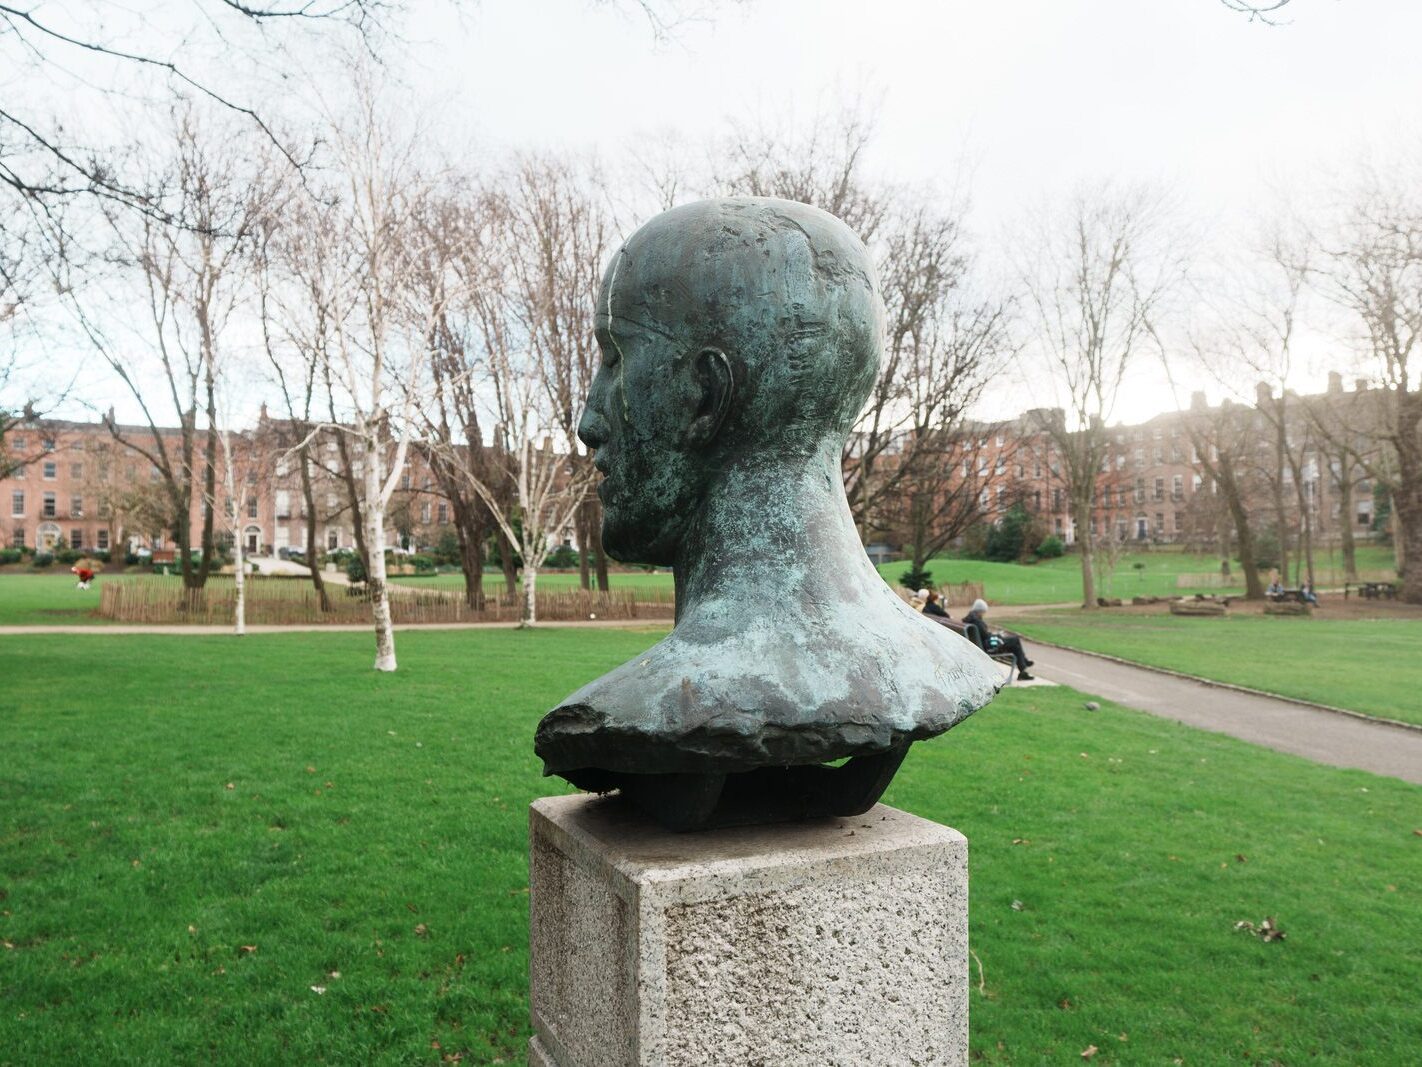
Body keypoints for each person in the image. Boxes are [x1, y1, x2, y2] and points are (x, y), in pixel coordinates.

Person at [962, 598, 1035, 680]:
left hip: (980, 646)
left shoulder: (969, 619)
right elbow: (986, 636)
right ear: (980, 611)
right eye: (983, 612)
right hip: (988, 647)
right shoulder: (977, 622)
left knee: (1015, 645)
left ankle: (1024, 665)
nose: (984, 614)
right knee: (1015, 640)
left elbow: (983, 635)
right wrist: (997, 636)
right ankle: (1023, 666)